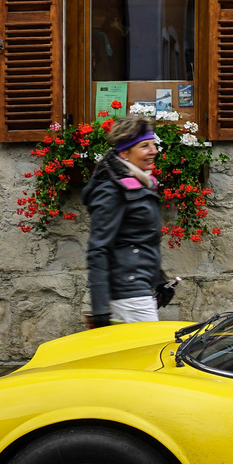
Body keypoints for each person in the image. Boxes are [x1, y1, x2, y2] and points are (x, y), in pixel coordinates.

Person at [81, 115, 173, 326]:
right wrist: (100, 310)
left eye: (153, 144)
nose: (154, 151)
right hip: (129, 294)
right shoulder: (112, 190)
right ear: (125, 153)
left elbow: (139, 241)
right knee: (150, 354)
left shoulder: (139, 184)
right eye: (144, 146)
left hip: (138, 290)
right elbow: (98, 249)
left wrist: (158, 281)